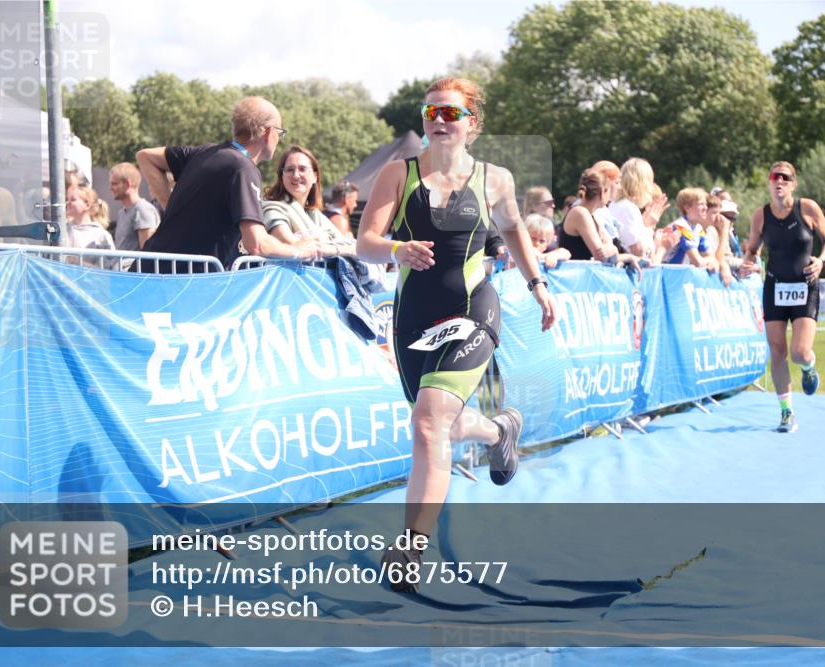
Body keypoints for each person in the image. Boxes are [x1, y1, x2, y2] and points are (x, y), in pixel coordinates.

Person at [355, 77, 557, 591]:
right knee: (440, 423)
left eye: (452, 113)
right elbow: (367, 243)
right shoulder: (397, 175)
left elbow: (512, 232)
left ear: (473, 123)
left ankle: (410, 550)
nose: (440, 120)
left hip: (472, 309)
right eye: (432, 112)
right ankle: (497, 431)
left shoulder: (495, 179)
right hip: (413, 317)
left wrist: (537, 285)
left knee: (427, 424)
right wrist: (396, 251)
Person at [135, 96, 319, 272]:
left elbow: (145, 157)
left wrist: (172, 206)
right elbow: (257, 243)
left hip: (148, 271)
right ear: (269, 132)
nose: (279, 139)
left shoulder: (204, 152)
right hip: (182, 285)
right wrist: (301, 251)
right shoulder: (244, 168)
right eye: (280, 132)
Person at [741, 161, 825, 433]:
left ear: (793, 184)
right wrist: (749, 261)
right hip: (775, 287)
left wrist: (821, 261)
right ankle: (786, 413)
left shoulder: (807, 208)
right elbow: (754, 249)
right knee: (778, 351)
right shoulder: (760, 216)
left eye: (785, 177)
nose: (779, 181)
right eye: (774, 177)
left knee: (799, 352)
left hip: (805, 286)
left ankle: (809, 368)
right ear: (769, 183)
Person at [262, 146, 356, 258]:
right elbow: (291, 243)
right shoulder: (272, 208)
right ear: (282, 176)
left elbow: (348, 245)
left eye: (302, 169)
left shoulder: (315, 214)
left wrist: (326, 246)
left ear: (315, 176)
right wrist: (328, 244)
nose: (296, 175)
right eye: (290, 170)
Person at [608, 157, 667, 263]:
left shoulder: (616, 204)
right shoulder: (629, 208)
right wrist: (648, 227)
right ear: (643, 183)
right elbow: (639, 252)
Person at [109, 162, 160, 269]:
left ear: (127, 184)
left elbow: (147, 252)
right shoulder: (122, 213)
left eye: (114, 184)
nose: (110, 188)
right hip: (122, 274)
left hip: (135, 277)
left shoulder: (142, 209)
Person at [658, 188, 717, 271]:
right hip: (666, 274)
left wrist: (711, 261)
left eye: (706, 204)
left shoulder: (698, 228)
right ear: (687, 207)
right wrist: (710, 261)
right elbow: (698, 262)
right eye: (701, 204)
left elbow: (711, 257)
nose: (706, 208)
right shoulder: (681, 227)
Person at [65, 186, 115, 264]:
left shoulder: (101, 235)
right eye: (67, 200)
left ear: (87, 205)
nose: (67, 203)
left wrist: (77, 262)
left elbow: (108, 269)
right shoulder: (62, 229)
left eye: (73, 200)